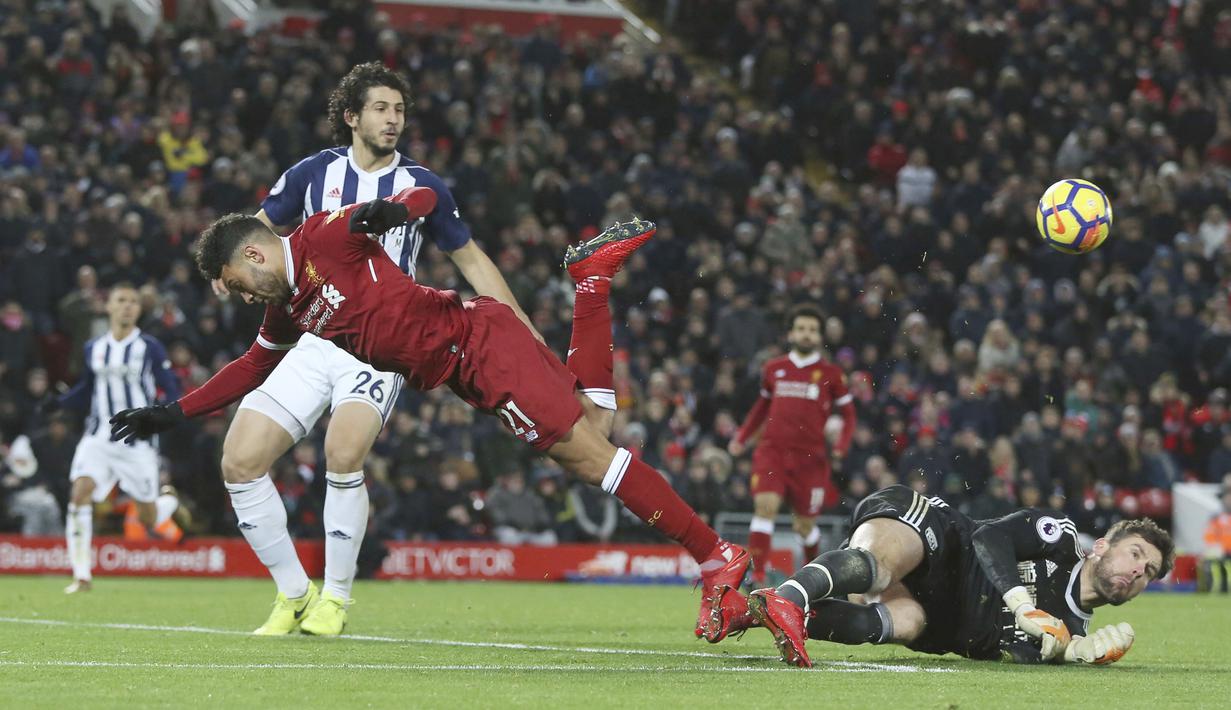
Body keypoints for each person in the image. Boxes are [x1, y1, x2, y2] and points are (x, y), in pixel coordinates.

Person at [109, 193, 749, 637]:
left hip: (481, 347)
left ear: (253, 255)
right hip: (466, 367)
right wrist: (173, 412)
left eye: (238, 283)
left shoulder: (323, 236)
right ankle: (591, 285)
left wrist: (395, 212)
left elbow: (418, 197)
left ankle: (716, 553)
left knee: (589, 455)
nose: (244, 297)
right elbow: (252, 367)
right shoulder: (290, 309)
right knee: (593, 430)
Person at [205, 62, 622, 636]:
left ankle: (337, 600)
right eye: (380, 108)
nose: (393, 119)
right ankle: (292, 595)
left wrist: (523, 329)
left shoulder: (422, 184)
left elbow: (471, 260)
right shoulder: (310, 175)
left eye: (399, 110)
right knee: (239, 460)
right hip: (311, 337)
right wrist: (224, 275)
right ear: (351, 117)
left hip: (379, 346)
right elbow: (252, 234)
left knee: (343, 453)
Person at [702, 485, 1173, 668]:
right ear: (1103, 546)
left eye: (1148, 572)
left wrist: (1069, 655)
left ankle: (752, 609)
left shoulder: (1076, 637)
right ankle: (790, 593)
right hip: (942, 537)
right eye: (1136, 553)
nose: (1137, 570)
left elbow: (1003, 654)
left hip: (937, 617)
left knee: (903, 623)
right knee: (878, 567)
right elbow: (990, 538)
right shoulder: (1062, 538)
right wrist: (1022, 605)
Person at [55, 283, 182, 593]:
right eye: (121, 300)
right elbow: (86, 389)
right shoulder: (93, 348)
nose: (127, 306)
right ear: (108, 306)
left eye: (133, 302)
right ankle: (82, 575)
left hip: (136, 442)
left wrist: (156, 421)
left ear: (138, 310)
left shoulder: (150, 347)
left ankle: (166, 503)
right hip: (98, 436)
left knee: (148, 518)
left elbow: (172, 389)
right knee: (79, 493)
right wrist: (57, 403)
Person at [727, 304, 856, 585]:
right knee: (765, 507)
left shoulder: (832, 374)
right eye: (801, 329)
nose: (806, 334)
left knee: (804, 525)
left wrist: (841, 447)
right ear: (791, 334)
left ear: (820, 336)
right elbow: (761, 408)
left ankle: (811, 577)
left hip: (810, 459)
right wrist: (742, 437)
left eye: (812, 330)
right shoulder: (774, 369)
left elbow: (849, 416)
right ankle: (757, 577)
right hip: (772, 451)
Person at [1202, 482, 1231, 593]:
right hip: (1222, 550)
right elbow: (1210, 535)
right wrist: (1216, 547)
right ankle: (1214, 588)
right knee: (1212, 562)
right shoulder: (1217, 517)